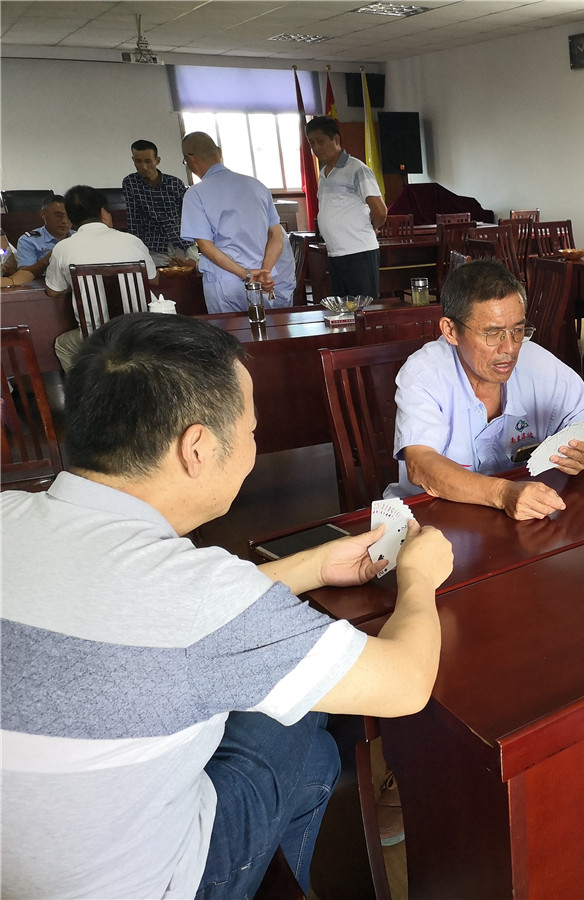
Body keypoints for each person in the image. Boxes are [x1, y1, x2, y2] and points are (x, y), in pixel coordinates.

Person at [0, 312, 453, 899]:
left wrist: (314, 566)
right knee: (305, 732)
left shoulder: (10, 513)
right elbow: (406, 685)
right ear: (197, 448)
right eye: (252, 431)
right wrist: (418, 577)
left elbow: (163, 620)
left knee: (309, 747)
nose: (253, 447)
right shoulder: (200, 592)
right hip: (142, 887)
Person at [385, 258, 584, 520]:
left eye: (518, 330)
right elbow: (420, 464)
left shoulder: (538, 362)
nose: (510, 348)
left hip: (517, 518)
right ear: (451, 330)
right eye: (493, 333)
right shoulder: (424, 373)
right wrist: (503, 493)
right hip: (429, 520)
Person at [43, 184, 158, 371]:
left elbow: (53, 290)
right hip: (139, 331)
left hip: (97, 336)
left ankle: (87, 388)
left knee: (62, 345)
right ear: (103, 212)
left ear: (70, 218)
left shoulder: (63, 248)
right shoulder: (132, 241)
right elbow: (153, 279)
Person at [179, 131, 295, 312]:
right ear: (219, 152)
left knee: (228, 330)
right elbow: (276, 235)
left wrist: (246, 274)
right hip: (262, 279)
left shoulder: (195, 194)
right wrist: (264, 271)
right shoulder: (257, 186)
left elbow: (206, 246)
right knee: (262, 327)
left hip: (225, 282)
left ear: (190, 159)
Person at [305, 115, 387, 299]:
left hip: (360, 252)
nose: (316, 148)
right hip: (335, 253)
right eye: (312, 143)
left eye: (320, 141)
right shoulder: (324, 173)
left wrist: (371, 227)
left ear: (336, 139)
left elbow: (380, 211)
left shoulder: (357, 169)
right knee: (343, 309)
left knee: (363, 308)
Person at [122, 138, 200, 268]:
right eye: (138, 161)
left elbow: (190, 216)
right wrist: (135, 250)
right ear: (133, 160)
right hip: (154, 246)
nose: (144, 167)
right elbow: (134, 219)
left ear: (157, 161)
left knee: (193, 274)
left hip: (182, 242)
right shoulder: (130, 183)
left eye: (148, 161)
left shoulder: (174, 183)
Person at [15, 193, 73, 278]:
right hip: (43, 283)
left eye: (69, 216)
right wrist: (51, 256)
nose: (64, 221)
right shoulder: (29, 240)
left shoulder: (79, 236)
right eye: (59, 215)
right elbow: (23, 274)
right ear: (43, 214)